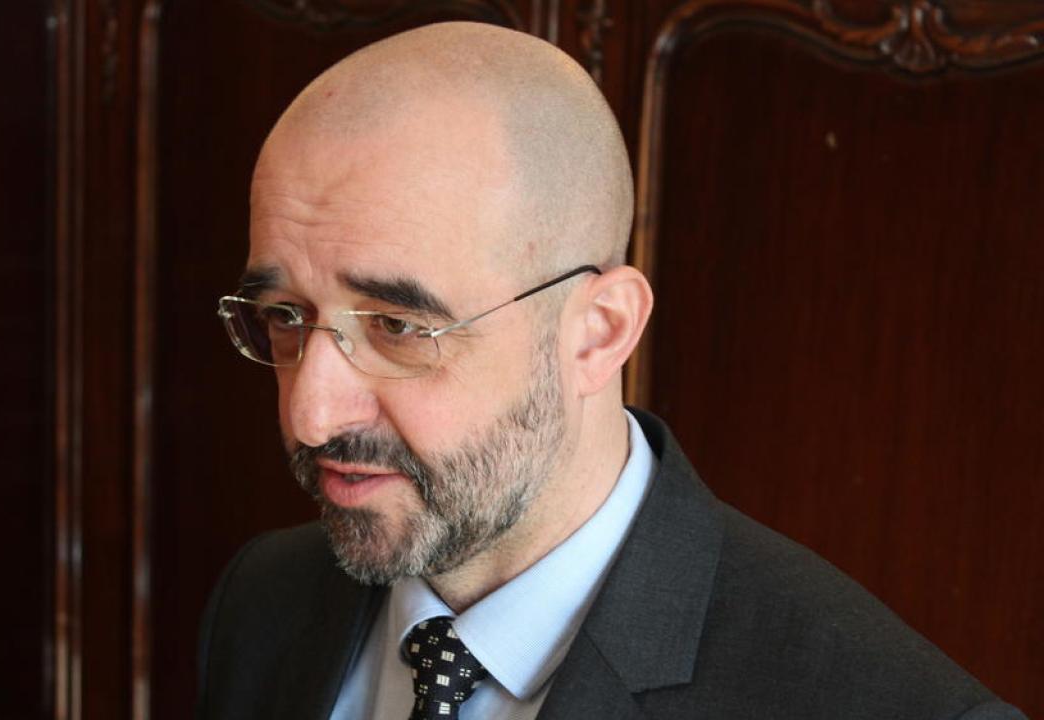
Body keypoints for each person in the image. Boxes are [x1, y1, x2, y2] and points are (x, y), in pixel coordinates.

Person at [197, 21, 1024, 720]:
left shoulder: (879, 702)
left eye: (399, 327)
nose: (311, 414)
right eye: (285, 316)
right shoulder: (263, 600)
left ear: (599, 333)